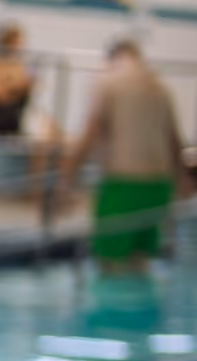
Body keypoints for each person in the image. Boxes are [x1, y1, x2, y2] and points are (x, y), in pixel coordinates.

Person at [61, 38, 192, 274]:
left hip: (123, 186)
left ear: (112, 59)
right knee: (139, 268)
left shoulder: (109, 82)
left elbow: (90, 134)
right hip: (158, 188)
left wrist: (67, 176)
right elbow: (175, 141)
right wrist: (183, 184)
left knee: (110, 268)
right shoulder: (160, 87)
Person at [0, 24, 54, 196]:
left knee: (56, 137)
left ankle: (57, 191)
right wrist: (20, 87)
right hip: (1, 118)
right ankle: (36, 193)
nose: (20, 47)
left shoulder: (17, 65)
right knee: (41, 141)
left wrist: (28, 86)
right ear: (7, 42)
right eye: (17, 43)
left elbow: (24, 90)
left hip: (18, 113)